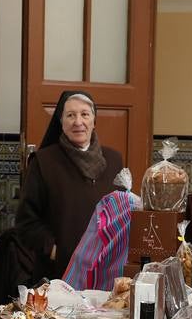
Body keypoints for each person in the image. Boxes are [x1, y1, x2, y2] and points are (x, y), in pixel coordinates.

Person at [14, 90, 126, 281]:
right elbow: (26, 222)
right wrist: (55, 251)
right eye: (70, 115)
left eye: (84, 114)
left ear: (94, 121)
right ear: (61, 122)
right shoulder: (43, 162)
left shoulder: (114, 160)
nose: (78, 122)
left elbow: (122, 213)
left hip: (106, 271)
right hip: (59, 272)